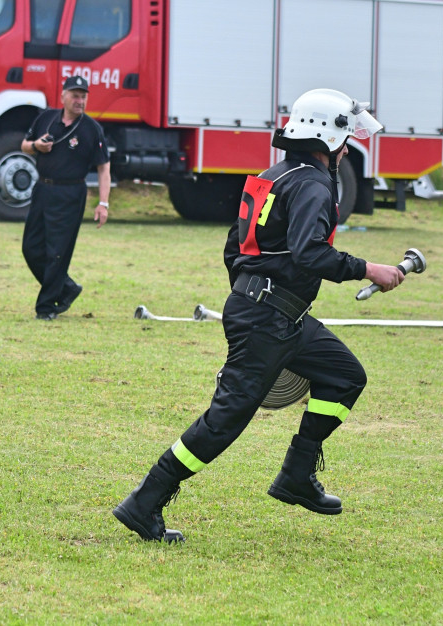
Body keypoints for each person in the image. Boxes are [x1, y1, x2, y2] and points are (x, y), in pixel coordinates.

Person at [113, 88, 405, 543]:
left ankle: (297, 474)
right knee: (222, 423)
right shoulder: (313, 182)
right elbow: (311, 254)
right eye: (347, 137)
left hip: (276, 314)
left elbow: (235, 248)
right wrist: (369, 269)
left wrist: (252, 291)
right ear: (328, 135)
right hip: (268, 318)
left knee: (345, 375)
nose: (349, 147)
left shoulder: (275, 174)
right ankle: (145, 501)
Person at [21, 76, 111, 320]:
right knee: (30, 247)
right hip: (43, 189)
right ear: (63, 96)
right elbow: (24, 145)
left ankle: (46, 307)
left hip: (70, 193)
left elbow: (104, 169)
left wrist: (103, 203)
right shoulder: (46, 118)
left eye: (83, 96)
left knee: (57, 252)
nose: (79, 100)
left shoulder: (92, 129)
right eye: (75, 95)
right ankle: (67, 288)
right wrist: (36, 146)